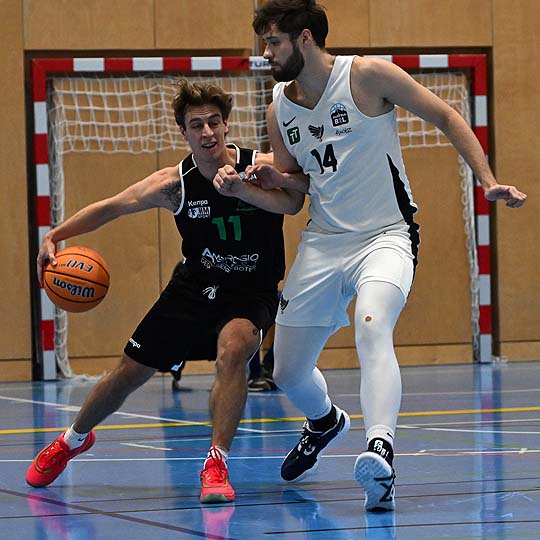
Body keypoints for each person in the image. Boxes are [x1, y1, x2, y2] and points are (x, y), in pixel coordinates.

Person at [230, 0, 526, 512]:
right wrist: (263, 184)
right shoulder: (280, 107)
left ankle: (380, 454)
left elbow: (445, 115)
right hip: (324, 241)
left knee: (372, 324)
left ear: (304, 39)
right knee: (287, 370)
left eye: (273, 42)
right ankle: (324, 421)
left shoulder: (366, 76)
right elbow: (294, 196)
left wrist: (487, 180)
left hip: (386, 235)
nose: (266, 53)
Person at [25, 79, 305, 504]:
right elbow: (111, 207)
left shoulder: (259, 167)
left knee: (233, 353)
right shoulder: (174, 183)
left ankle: (216, 463)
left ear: (227, 126)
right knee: (128, 372)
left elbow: (305, 185)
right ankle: (72, 440)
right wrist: (55, 235)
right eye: (197, 125)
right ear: (184, 133)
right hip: (193, 287)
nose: (207, 132)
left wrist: (273, 179)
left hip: (251, 290)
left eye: (214, 122)